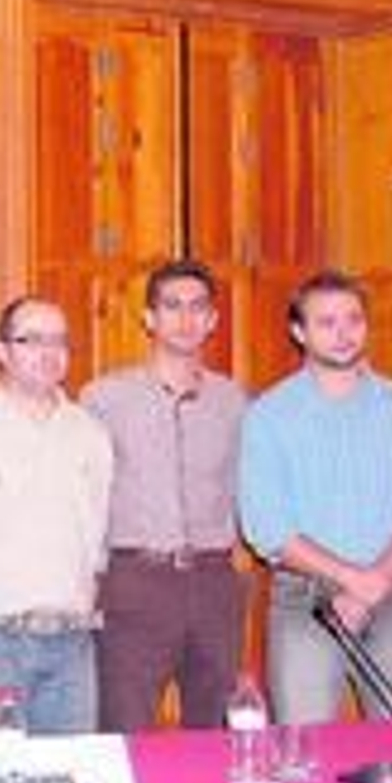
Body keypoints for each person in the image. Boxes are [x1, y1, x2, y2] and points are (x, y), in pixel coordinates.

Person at [240, 270, 392, 723]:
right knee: (303, 756)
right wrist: (354, 581)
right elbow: (269, 529)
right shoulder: (269, 416)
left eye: (353, 320)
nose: (343, 334)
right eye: (327, 322)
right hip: (304, 604)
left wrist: (373, 585)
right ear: (299, 332)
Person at [81, 259, 248, 732]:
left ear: (213, 320)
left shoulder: (233, 401)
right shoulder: (103, 399)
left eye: (198, 307)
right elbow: (86, 498)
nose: (186, 319)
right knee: (122, 728)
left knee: (218, 733)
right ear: (149, 318)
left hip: (214, 582)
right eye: (172, 306)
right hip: (135, 580)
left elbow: (242, 489)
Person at [0, 297, 111, 738]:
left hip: (72, 641)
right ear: (1, 352)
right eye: (32, 340)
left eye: (60, 341)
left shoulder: (90, 431)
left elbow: (95, 534)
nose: (49, 352)